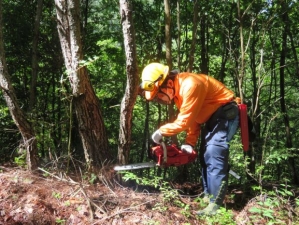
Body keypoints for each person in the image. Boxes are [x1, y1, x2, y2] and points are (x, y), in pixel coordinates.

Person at [139, 62, 240, 216]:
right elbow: (193, 119)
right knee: (205, 155)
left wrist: (162, 131)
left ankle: (215, 206)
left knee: (214, 152)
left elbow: (184, 121)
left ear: (170, 83)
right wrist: (189, 143)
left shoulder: (190, 85)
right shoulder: (179, 95)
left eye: (159, 93)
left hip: (226, 114)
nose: (160, 98)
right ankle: (208, 196)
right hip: (213, 117)